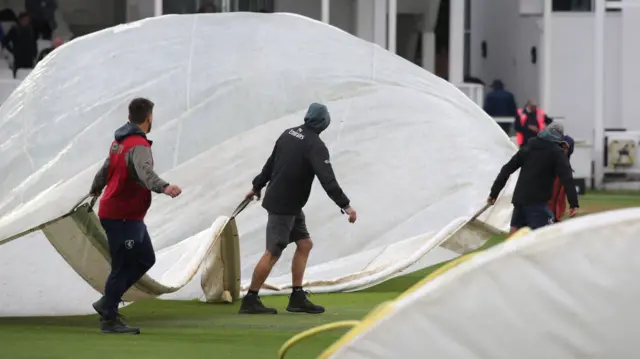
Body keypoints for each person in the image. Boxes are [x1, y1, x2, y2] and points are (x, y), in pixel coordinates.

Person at [240, 103, 357, 315]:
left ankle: (297, 296)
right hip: (284, 206)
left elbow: (270, 164)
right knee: (273, 252)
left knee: (305, 244)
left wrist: (257, 186)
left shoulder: (288, 134)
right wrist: (345, 205)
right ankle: (250, 299)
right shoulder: (315, 145)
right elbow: (327, 179)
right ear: (323, 122)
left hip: (290, 204)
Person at [89, 98, 182, 334]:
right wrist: (165, 186)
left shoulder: (118, 142)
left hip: (127, 214)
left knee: (145, 258)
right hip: (122, 214)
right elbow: (145, 172)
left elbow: (106, 168)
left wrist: (96, 186)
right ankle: (108, 318)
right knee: (123, 266)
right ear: (149, 117)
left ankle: (107, 301)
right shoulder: (139, 144)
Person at [487, 122, 579, 235]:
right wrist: (573, 203)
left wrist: (494, 193)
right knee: (547, 236)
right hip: (537, 202)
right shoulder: (557, 152)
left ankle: (509, 252)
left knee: (515, 234)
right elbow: (567, 178)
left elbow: (507, 169)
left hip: (519, 200)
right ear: (560, 137)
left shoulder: (529, 146)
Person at [2, 12, 37, 79]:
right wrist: (12, 51)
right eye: (24, 19)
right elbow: (5, 41)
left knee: (29, 75)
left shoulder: (31, 29)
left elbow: (34, 43)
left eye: (27, 19)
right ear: (20, 20)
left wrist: (34, 54)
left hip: (29, 56)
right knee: (18, 74)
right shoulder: (14, 29)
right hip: (19, 56)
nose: (26, 21)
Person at [548, 135, 575, 223]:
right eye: (561, 146)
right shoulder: (550, 165)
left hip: (556, 213)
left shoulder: (566, 169)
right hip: (546, 211)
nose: (563, 149)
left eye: (565, 148)